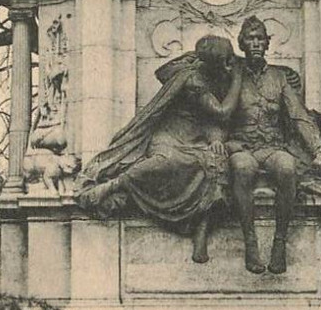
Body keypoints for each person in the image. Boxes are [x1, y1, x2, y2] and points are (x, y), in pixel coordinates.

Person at [76, 35, 242, 263]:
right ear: (211, 62)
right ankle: (113, 185)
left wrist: (216, 137)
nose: (229, 65)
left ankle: (201, 231)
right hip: (169, 137)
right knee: (163, 162)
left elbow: (217, 122)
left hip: (198, 140)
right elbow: (222, 112)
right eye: (224, 60)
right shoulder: (193, 78)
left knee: (216, 165)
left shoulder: (216, 75)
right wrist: (238, 79)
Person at [227, 16, 321, 275]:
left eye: (260, 39)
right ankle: (250, 242)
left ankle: (280, 241)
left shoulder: (279, 78)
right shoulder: (232, 75)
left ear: (267, 44)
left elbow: (298, 115)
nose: (255, 43)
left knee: (287, 167)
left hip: (272, 146)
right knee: (242, 168)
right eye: (250, 39)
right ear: (242, 44)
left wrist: (319, 152)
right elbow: (219, 113)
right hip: (242, 146)